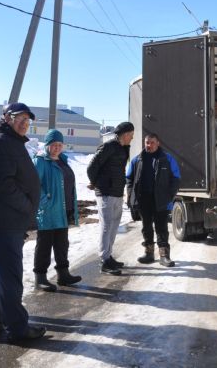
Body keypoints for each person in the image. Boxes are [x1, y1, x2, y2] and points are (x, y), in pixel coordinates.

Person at [0, 102, 46, 342]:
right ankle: (17, 328)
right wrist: (27, 207)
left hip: (5, 221)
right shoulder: (1, 142)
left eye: (28, 120)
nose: (24, 123)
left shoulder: (9, 140)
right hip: (5, 221)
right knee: (10, 278)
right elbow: (2, 185)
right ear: (7, 117)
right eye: (20, 118)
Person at [32, 129, 82, 292]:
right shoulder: (40, 161)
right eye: (53, 144)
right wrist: (44, 202)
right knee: (44, 246)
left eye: (59, 145)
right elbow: (33, 186)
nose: (57, 147)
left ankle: (63, 274)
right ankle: (40, 277)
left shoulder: (62, 160)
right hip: (47, 212)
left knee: (62, 244)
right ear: (47, 145)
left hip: (63, 210)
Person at [126, 132, 181, 267]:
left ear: (158, 143)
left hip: (161, 200)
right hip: (143, 200)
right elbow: (129, 178)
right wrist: (131, 196)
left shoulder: (167, 159)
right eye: (147, 142)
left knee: (161, 228)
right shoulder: (137, 159)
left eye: (152, 142)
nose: (149, 145)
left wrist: (169, 195)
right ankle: (149, 253)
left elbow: (176, 178)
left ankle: (164, 256)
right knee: (146, 227)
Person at [87, 121, 134, 275]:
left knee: (114, 226)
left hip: (117, 192)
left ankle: (109, 255)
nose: (132, 138)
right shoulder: (108, 147)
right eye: (131, 135)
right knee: (106, 226)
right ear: (125, 134)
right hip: (106, 193)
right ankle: (104, 260)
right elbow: (92, 167)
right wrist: (95, 183)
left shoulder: (124, 148)